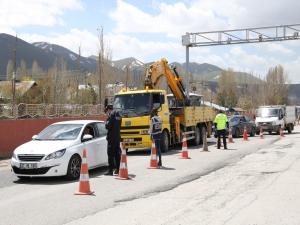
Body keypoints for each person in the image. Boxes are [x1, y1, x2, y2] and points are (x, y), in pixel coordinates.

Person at [105, 104, 122, 176]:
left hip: (111, 138)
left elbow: (108, 126)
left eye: (107, 111)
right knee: (117, 154)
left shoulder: (111, 115)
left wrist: (107, 119)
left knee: (110, 155)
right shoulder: (118, 114)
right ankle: (118, 169)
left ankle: (110, 170)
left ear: (109, 109)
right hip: (117, 137)